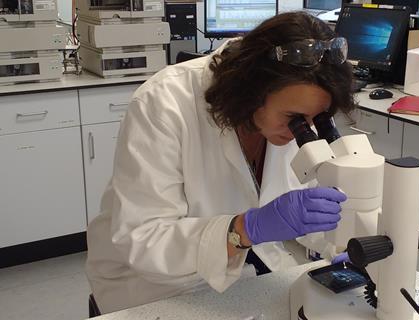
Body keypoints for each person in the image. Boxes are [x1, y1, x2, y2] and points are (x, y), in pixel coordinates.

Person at [86, 11, 355, 313]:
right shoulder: (163, 104)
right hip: (152, 286)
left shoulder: (292, 105)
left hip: (248, 268)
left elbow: (308, 203)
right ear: (254, 93)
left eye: (315, 119)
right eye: (294, 120)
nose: (302, 132)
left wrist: (338, 242)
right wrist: (246, 228)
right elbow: (143, 239)